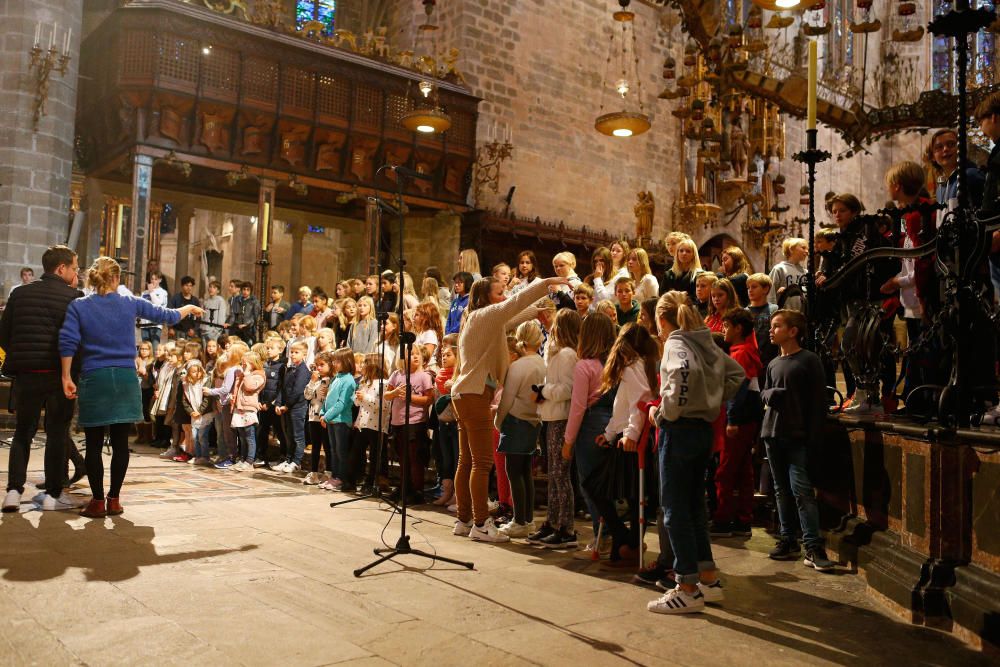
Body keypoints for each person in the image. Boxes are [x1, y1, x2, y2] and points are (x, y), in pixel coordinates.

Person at [59, 257, 202, 518]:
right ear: (116, 279)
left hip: (95, 377)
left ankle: (98, 501)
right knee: (121, 443)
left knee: (92, 444)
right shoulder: (129, 302)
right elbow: (167, 315)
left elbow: (67, 341)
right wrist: (190, 307)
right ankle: (114, 499)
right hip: (125, 379)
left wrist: (66, 376)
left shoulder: (79, 306)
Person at [646, 291, 743, 614]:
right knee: (694, 507)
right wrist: (712, 399)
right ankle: (708, 579)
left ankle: (686, 587)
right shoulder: (705, 342)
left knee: (674, 509)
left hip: (680, 430)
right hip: (702, 430)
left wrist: (664, 414)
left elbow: (680, 376)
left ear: (662, 319)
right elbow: (736, 375)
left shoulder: (675, 343)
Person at [451, 274, 567, 542]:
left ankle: (463, 518)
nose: (503, 296)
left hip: (464, 394)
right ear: (486, 297)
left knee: (465, 461)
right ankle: (480, 524)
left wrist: (537, 310)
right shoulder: (485, 315)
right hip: (475, 394)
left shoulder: (477, 318)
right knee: (481, 463)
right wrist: (545, 284)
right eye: (499, 293)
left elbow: (512, 315)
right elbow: (513, 305)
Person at [0, 245, 82, 512]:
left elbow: (4, 334)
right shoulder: (74, 297)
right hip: (60, 376)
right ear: (62, 269)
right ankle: (52, 496)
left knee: (23, 432)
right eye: (75, 267)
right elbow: (78, 340)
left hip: (26, 376)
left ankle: (13, 492)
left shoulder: (20, 294)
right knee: (57, 434)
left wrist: (22, 357)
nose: (76, 272)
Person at [761, 309, 836, 572]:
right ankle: (787, 538)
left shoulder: (808, 360)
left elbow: (818, 403)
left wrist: (813, 437)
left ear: (793, 331)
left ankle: (813, 546)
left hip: (796, 435)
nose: (771, 330)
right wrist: (770, 394)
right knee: (781, 490)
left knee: (802, 491)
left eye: (777, 326)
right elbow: (765, 392)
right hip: (773, 433)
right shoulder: (772, 363)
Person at [599, 322, 661, 567]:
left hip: (630, 439)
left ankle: (628, 540)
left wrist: (629, 434)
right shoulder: (639, 364)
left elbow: (640, 403)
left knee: (609, 489)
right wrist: (610, 432)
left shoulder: (633, 366)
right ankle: (627, 542)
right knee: (634, 494)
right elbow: (624, 405)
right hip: (625, 434)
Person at [563, 312, 618, 558]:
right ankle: (613, 536)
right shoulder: (616, 363)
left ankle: (602, 538)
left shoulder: (584, 366)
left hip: (591, 425)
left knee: (590, 485)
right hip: (614, 424)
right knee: (607, 486)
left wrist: (568, 441)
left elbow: (577, 408)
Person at [531, 308, 582, 548]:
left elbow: (567, 390)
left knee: (560, 474)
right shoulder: (559, 354)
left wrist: (544, 391)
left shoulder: (568, 355)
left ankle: (566, 526)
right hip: (552, 416)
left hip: (561, 418)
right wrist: (543, 391)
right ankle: (552, 522)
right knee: (553, 474)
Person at [710, 308, 762, 537]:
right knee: (743, 470)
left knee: (726, 470)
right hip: (746, 419)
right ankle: (743, 519)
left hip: (738, 421)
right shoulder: (745, 351)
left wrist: (732, 419)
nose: (723, 330)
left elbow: (737, 390)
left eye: (727, 326)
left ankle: (723, 519)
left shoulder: (740, 354)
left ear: (738, 328)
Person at [495, 321, 546, 538]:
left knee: (514, 472)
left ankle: (519, 520)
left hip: (516, 420)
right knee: (525, 471)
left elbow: (506, 398)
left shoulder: (518, 366)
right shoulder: (542, 363)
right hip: (534, 419)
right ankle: (528, 519)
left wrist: (498, 420)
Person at [385, 347, 434, 505]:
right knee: (402, 457)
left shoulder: (423, 376)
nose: (415, 357)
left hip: (415, 422)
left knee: (415, 458)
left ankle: (417, 491)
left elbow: (429, 400)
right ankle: (404, 487)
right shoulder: (397, 374)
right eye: (411, 354)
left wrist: (409, 397)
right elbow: (387, 395)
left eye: (417, 354)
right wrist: (395, 393)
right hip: (398, 421)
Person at [352, 353, 391, 492]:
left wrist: (366, 397)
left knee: (376, 456)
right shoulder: (365, 382)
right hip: (363, 424)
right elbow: (358, 404)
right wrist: (358, 397)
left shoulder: (384, 384)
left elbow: (384, 406)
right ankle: (357, 478)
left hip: (377, 426)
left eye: (364, 363)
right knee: (357, 452)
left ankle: (373, 482)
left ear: (373, 366)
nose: (362, 366)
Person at [321, 349, 358, 491]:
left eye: (337, 361)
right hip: (331, 420)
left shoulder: (348, 380)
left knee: (341, 451)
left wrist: (327, 416)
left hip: (341, 421)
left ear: (346, 361)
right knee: (333, 450)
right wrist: (322, 412)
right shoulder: (337, 377)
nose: (334, 363)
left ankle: (341, 478)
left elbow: (342, 403)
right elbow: (329, 398)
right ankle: (334, 477)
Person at [274, 340, 311, 473]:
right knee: (289, 435)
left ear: (304, 354)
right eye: (292, 352)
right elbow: (282, 388)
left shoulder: (304, 371)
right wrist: (278, 403)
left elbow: (297, 391)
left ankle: (297, 461)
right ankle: (288, 459)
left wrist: (287, 406)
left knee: (298, 436)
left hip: (297, 407)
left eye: (297, 352)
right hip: (287, 407)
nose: (293, 355)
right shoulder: (289, 369)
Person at [433, 334, 460, 508]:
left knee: (458, 459)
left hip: (456, 422)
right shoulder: (439, 377)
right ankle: (447, 492)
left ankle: (458, 494)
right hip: (443, 422)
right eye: (442, 355)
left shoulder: (458, 376)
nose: (444, 358)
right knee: (446, 460)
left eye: (448, 355)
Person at [230, 351, 265, 471]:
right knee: (242, 436)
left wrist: (247, 373)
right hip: (240, 408)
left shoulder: (259, 375)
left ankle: (249, 461)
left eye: (246, 362)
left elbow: (249, 387)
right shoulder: (245, 374)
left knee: (249, 436)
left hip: (249, 408)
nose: (243, 364)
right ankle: (242, 459)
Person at [256, 336, 287, 467]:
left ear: (280, 350)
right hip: (263, 404)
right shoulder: (264, 365)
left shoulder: (282, 366)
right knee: (262, 430)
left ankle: (284, 456)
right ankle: (261, 456)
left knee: (280, 431)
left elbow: (280, 386)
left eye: (271, 348)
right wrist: (259, 401)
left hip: (274, 405)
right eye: (267, 348)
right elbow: (261, 385)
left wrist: (272, 403)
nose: (268, 351)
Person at [303, 351, 333, 486]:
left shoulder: (332, 380)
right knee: (315, 446)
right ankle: (314, 473)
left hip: (325, 417)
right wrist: (312, 381)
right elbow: (307, 396)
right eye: (317, 365)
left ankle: (329, 473)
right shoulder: (315, 380)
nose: (319, 368)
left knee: (327, 446)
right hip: (313, 417)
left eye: (322, 365)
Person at [746, 273, 780, 372]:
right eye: (748, 288)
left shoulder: (774, 309)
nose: (750, 290)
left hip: (770, 359)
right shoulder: (744, 312)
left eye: (754, 287)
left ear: (765, 289)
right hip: (750, 361)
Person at [768, 238, 808, 311]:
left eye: (807, 248)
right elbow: (771, 294)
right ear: (791, 249)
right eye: (803, 248)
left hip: (801, 315)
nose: (807, 251)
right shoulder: (779, 269)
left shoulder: (805, 272)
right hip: (784, 314)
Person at [139, 272, 169, 353]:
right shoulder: (144, 293)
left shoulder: (163, 292)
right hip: (144, 324)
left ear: (160, 280)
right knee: (145, 349)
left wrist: (151, 292)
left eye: (156, 279)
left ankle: (155, 365)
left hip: (155, 324)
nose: (153, 281)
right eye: (152, 279)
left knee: (155, 348)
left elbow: (157, 305)